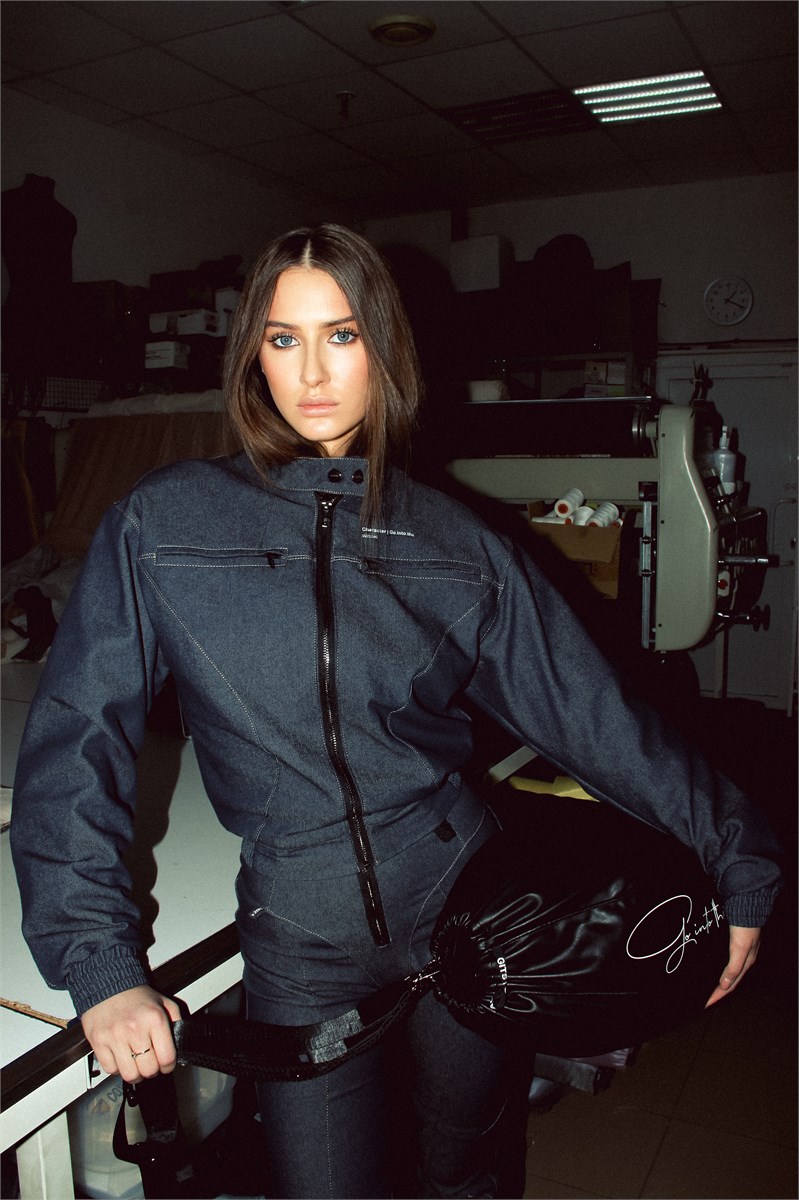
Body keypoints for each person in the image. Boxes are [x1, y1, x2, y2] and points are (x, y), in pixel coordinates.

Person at [11, 224, 783, 1199]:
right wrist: (101, 963)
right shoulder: (165, 524)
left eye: (341, 334)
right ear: (252, 356)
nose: (311, 371)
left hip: (466, 913)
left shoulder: (457, 543)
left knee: (469, 1172)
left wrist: (735, 850)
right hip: (301, 937)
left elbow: (594, 717)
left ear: (384, 347)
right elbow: (77, 742)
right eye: (283, 338)